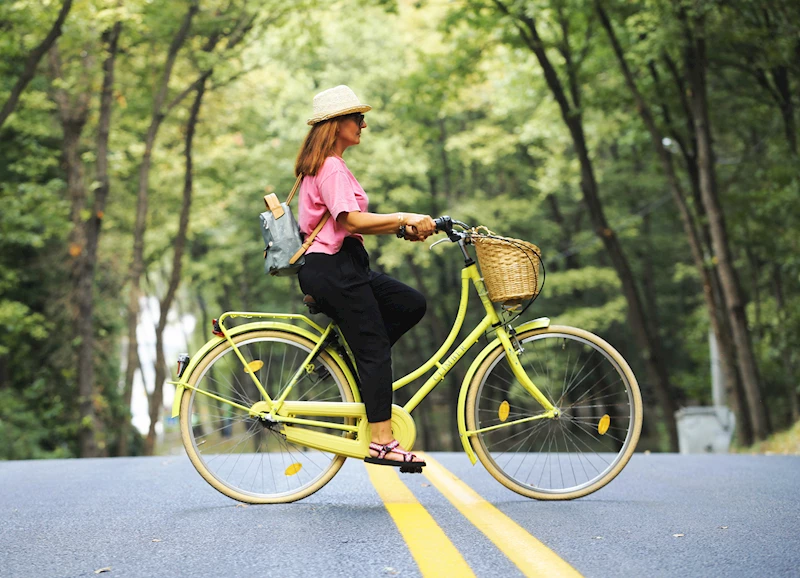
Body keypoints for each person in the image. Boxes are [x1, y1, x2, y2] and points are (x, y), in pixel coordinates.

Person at [295, 85, 436, 467]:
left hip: (344, 265)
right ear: (336, 124)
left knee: (410, 303)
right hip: (333, 267)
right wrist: (403, 217)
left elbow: (354, 224)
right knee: (374, 349)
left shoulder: (326, 165)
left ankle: (361, 364)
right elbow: (351, 219)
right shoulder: (331, 165)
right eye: (357, 118)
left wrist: (398, 228)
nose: (363, 124)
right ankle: (381, 442)